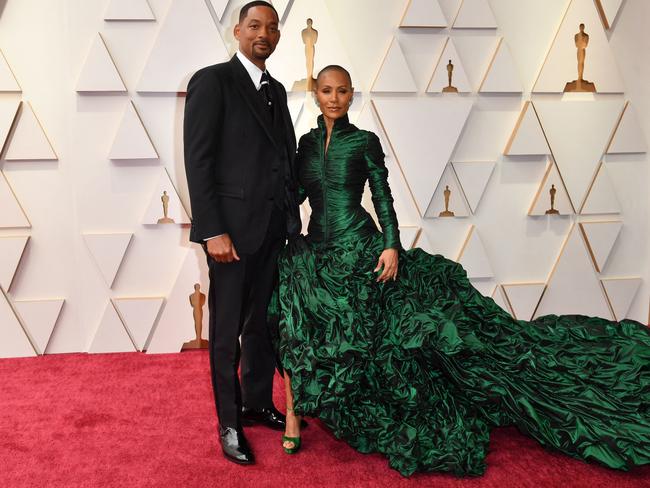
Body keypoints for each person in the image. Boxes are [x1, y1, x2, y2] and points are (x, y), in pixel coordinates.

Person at [270, 65, 650, 476]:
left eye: (342, 91)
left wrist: (391, 245)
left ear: (351, 96)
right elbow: (299, 194)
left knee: (413, 331)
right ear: (315, 93)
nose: (334, 98)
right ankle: (293, 415)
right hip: (317, 251)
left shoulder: (364, 141)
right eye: (326, 90)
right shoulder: (305, 146)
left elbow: (382, 195)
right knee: (293, 314)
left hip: (362, 246)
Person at [183, 1, 301, 465]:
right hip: (229, 234)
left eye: (272, 27)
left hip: (273, 230)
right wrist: (213, 230)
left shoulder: (277, 90)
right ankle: (229, 423)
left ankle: (254, 404)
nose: (264, 34)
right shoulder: (213, 81)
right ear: (237, 31)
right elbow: (199, 160)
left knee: (262, 326)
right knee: (227, 330)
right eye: (255, 25)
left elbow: (283, 156)